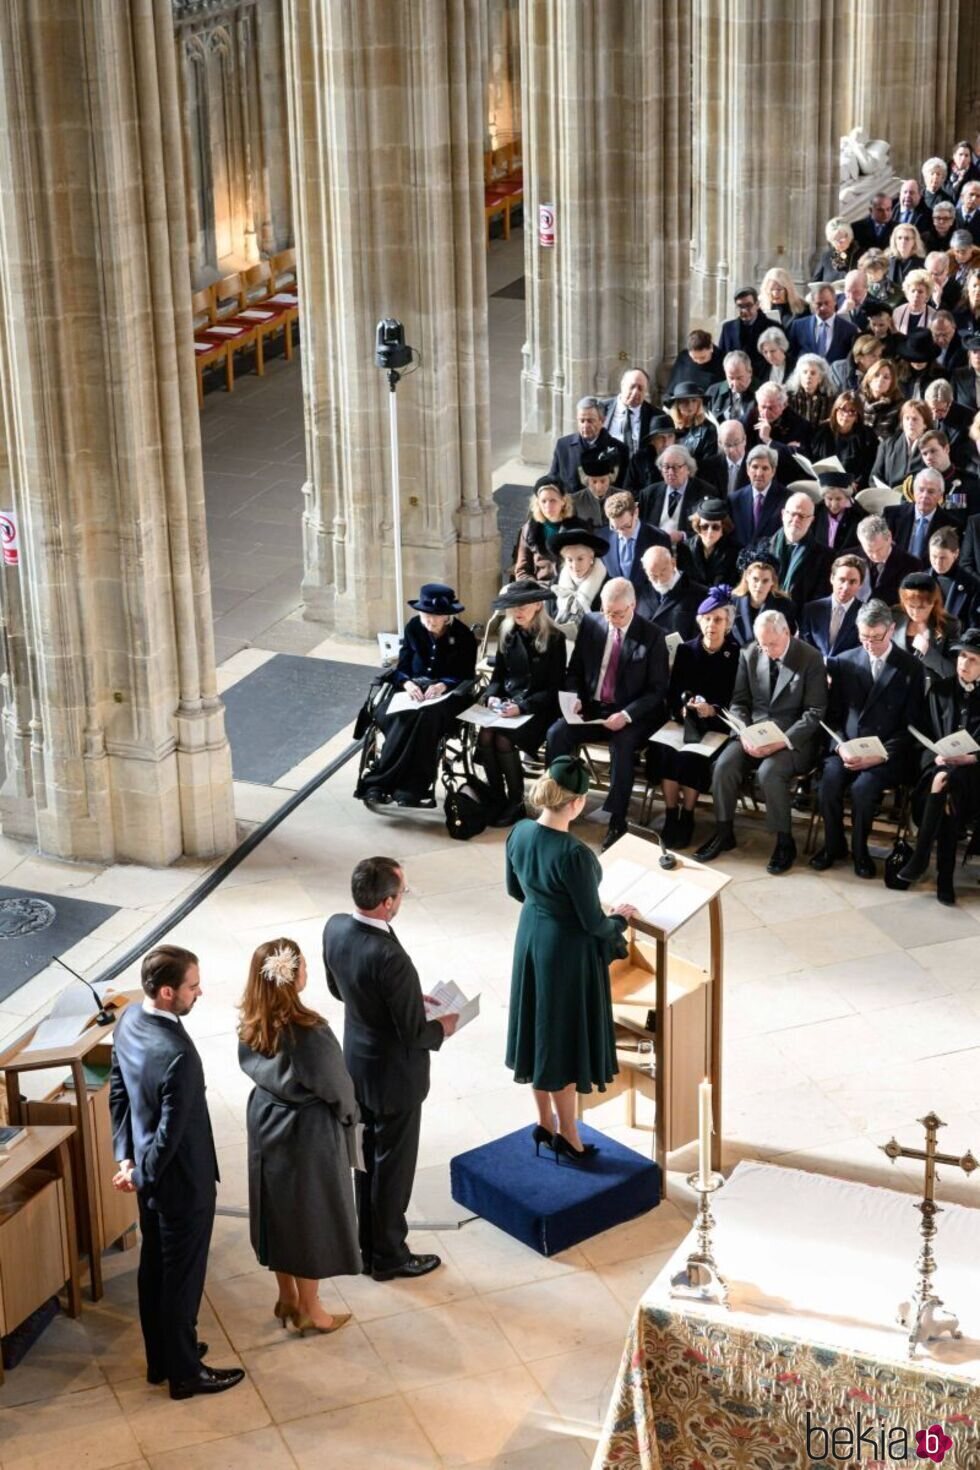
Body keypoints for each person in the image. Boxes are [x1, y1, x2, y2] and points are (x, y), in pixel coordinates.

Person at [109, 946, 243, 1401]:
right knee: (182, 1278)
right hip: (181, 1183)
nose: (199, 992)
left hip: (147, 1177)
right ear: (167, 992)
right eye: (192, 986)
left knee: (155, 1270)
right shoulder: (178, 1054)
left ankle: (162, 1358)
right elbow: (171, 1132)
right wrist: (140, 1172)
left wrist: (126, 1159)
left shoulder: (127, 1018)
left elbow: (118, 1089)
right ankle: (185, 1373)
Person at [323, 857, 457, 1281]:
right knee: (393, 1170)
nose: (402, 900)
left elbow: (337, 988)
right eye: (401, 894)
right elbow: (416, 1034)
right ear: (385, 903)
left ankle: (366, 1248)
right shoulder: (388, 956)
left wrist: (397, 998)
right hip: (395, 1078)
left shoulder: (335, 928)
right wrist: (445, 1025)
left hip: (357, 1067)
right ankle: (390, 1255)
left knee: (365, 1162)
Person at [504, 756, 636, 1162]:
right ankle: (570, 1135)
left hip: (530, 936)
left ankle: (544, 1123)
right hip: (563, 950)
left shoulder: (520, 832)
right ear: (577, 803)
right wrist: (618, 921)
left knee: (538, 1032)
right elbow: (593, 923)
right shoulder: (574, 854)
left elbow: (516, 890)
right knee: (558, 1041)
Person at [237, 938, 359, 1336]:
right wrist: (349, 1118)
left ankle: (287, 1295)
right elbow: (337, 1088)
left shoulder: (251, 1021)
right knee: (311, 1215)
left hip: (266, 1117)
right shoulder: (309, 1031)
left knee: (277, 1210)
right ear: (292, 977)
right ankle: (311, 1309)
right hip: (306, 1130)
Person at [694, 609, 827, 873]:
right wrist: (743, 731)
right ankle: (724, 831)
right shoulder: (750, 652)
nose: (766, 650)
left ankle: (784, 841)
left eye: (772, 644)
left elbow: (815, 712)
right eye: (762, 644)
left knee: (769, 773)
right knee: (723, 766)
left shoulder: (810, 658)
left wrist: (782, 742)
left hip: (792, 738)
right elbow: (740, 702)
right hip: (754, 732)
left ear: (786, 633)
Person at [546, 577, 669, 850]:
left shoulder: (653, 636)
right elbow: (575, 670)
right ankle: (557, 804)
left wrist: (626, 715)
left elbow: (657, 691)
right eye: (606, 611)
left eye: (618, 613)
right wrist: (575, 697)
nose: (611, 617)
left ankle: (617, 818)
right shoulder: (592, 623)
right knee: (557, 733)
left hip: (631, 713)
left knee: (622, 745)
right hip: (593, 707)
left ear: (633, 606)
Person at [810, 600, 924, 878]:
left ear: (892, 630)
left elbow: (913, 725)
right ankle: (834, 845)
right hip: (848, 746)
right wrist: (839, 746)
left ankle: (860, 851)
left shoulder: (910, 668)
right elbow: (833, 715)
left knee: (863, 790)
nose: (870, 644)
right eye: (864, 637)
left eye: (876, 637)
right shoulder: (845, 661)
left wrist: (881, 754)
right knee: (828, 783)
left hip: (886, 754)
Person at [356, 584, 477, 808]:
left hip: (446, 696)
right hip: (411, 692)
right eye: (426, 615)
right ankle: (380, 784)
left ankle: (410, 787)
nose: (430, 621)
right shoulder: (414, 627)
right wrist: (407, 682)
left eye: (436, 616)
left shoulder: (463, 636)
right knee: (399, 718)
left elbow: (465, 674)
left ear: (447, 616)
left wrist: (442, 685)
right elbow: (402, 666)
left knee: (425, 720)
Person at [646, 585, 740, 849]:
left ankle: (687, 815)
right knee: (665, 750)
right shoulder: (687, 650)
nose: (712, 625)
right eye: (707, 619)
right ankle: (671, 814)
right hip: (684, 721)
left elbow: (737, 698)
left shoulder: (735, 654)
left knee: (691, 756)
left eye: (718, 619)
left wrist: (714, 709)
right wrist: (683, 707)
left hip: (716, 725)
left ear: (728, 623)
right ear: (700, 621)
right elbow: (673, 692)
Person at [898, 627, 980, 905]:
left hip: (975, 775)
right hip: (937, 767)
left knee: (948, 785)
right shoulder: (940, 691)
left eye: (972, 659)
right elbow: (921, 735)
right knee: (946, 786)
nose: (964, 664)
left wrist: (973, 758)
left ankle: (922, 856)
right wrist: (936, 756)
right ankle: (944, 878)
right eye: (961, 657)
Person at [479, 581, 565, 825]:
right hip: (508, 703)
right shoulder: (508, 632)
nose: (517, 611)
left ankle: (516, 801)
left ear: (538, 605)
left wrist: (523, 707)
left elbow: (554, 688)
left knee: (503, 738)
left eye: (523, 606)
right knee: (486, 734)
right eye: (512, 606)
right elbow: (498, 677)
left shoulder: (554, 638)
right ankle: (497, 795)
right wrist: (492, 695)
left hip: (539, 708)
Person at [891, 571, 961, 686]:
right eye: (911, 606)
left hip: (931, 693)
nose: (915, 612)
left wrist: (928, 652)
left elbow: (952, 671)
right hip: (898, 688)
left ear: (933, 603)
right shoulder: (893, 617)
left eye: (922, 607)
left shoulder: (949, 625)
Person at [768, 492, 834, 612]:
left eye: (802, 516)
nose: (796, 520)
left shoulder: (825, 558)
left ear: (811, 520)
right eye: (792, 514)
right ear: (783, 514)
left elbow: (819, 600)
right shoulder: (761, 548)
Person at [548, 397, 628, 494]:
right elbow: (553, 479)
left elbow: (623, 487)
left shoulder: (619, 449)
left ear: (602, 421)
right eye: (582, 421)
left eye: (590, 421)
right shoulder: (563, 446)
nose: (585, 425)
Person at [513, 478, 586, 584]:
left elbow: (587, 565)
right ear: (538, 503)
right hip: (539, 586)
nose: (548, 506)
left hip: (570, 585)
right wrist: (533, 590)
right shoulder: (530, 529)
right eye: (544, 501)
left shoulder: (578, 528)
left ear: (563, 501)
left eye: (553, 500)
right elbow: (522, 570)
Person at [884, 465, 961, 559]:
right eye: (921, 490)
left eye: (931, 492)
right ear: (914, 491)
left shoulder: (950, 525)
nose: (924, 496)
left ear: (940, 495)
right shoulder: (891, 515)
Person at [637, 445, 714, 540]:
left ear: (688, 469)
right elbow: (640, 529)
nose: (670, 472)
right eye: (666, 467)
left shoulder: (705, 493)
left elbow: (710, 531)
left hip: (687, 551)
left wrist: (683, 536)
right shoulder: (648, 494)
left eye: (676, 467)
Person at [601, 490, 670, 594]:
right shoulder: (603, 536)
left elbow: (663, 580)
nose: (621, 533)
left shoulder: (659, 538)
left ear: (636, 512)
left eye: (626, 526)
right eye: (615, 528)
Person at [799, 552, 866, 655]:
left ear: (860, 584)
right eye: (842, 580)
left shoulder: (865, 613)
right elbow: (804, 645)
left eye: (852, 582)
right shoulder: (811, 610)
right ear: (832, 578)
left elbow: (861, 652)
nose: (845, 587)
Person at [730, 546, 798, 646]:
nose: (759, 586)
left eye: (765, 581)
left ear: (772, 582)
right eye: (755, 579)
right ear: (747, 578)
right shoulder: (732, 602)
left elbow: (787, 640)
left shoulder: (785, 606)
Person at [552, 527, 608, 642]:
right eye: (570, 560)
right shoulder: (556, 584)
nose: (575, 566)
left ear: (591, 558)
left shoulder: (607, 586)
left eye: (580, 559)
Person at [636, 543, 706, 636]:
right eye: (654, 576)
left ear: (673, 563)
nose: (660, 581)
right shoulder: (641, 593)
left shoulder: (699, 593)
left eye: (663, 573)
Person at [811, 391, 879, 486]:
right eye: (843, 409)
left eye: (852, 412)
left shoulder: (867, 436)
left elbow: (869, 466)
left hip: (851, 486)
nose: (846, 415)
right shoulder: (821, 431)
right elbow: (813, 458)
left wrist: (857, 482)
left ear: (857, 416)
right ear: (835, 410)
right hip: (823, 483)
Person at [728, 445, 790, 543]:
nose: (759, 473)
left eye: (765, 468)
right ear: (748, 470)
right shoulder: (734, 500)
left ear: (773, 471)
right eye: (755, 467)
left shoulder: (787, 499)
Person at [856, 514, 921, 603]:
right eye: (870, 551)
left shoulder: (912, 565)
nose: (875, 556)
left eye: (879, 549)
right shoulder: (852, 558)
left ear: (889, 537)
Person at [677, 497, 742, 586]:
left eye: (715, 527)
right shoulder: (684, 548)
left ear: (723, 528)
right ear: (698, 527)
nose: (709, 532)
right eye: (705, 526)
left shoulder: (735, 551)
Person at [788, 285, 858, 364]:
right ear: (812, 304)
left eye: (827, 303)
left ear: (835, 301)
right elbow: (792, 356)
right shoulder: (799, 326)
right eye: (819, 304)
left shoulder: (849, 330)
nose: (823, 308)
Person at [871, 398, 932, 486]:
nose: (910, 423)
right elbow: (875, 477)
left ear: (925, 424)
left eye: (915, 419)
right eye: (907, 418)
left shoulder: (932, 446)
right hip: (889, 496)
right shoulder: (887, 445)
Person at [929, 525, 980, 625]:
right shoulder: (921, 579)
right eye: (934, 557)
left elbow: (974, 626)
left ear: (955, 554)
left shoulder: (972, 585)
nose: (938, 563)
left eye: (943, 558)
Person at [602, 367, 655, 457]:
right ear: (622, 385)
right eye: (632, 386)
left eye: (640, 388)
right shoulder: (601, 409)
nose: (635, 392)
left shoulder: (654, 415)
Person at [663, 381, 718, 466]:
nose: (690, 405)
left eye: (694, 400)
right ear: (677, 404)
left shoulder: (708, 430)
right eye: (684, 401)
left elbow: (709, 465)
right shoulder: (667, 427)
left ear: (699, 403)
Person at [718, 286, 769, 375]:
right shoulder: (727, 328)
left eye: (748, 306)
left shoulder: (771, 327)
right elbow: (722, 357)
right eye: (740, 306)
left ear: (757, 305)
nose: (744, 310)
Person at [623, 412, 678, 493]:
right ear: (652, 440)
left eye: (670, 436)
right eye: (660, 437)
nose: (666, 441)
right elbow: (628, 490)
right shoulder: (639, 459)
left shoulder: (683, 458)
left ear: (675, 438)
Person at [571, 444, 624, 525]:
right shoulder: (574, 500)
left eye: (603, 481)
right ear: (587, 481)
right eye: (594, 482)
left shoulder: (623, 497)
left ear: (610, 479)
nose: (598, 487)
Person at [665, 328, 726, 395]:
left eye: (703, 357)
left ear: (711, 348)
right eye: (694, 358)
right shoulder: (683, 358)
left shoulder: (723, 360)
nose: (698, 361)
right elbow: (672, 386)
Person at [785, 354, 835, 433]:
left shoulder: (830, 398)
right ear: (799, 376)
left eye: (813, 373)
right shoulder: (788, 396)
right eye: (805, 372)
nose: (808, 376)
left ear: (820, 378)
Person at [701, 419, 750, 498]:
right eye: (727, 445)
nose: (733, 450)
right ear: (720, 443)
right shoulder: (708, 467)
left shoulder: (756, 465)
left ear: (744, 440)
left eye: (736, 443)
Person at [860, 356, 904, 440]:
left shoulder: (899, 407)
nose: (880, 380)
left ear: (892, 383)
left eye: (886, 377)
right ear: (869, 378)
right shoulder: (855, 400)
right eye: (876, 375)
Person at [705, 350, 757, 421]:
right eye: (731, 378)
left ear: (750, 372)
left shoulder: (761, 391)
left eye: (739, 378)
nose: (735, 383)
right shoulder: (713, 392)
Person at [892, 269, 938, 336]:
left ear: (927, 295)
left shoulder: (934, 316)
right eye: (913, 291)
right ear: (907, 293)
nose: (916, 295)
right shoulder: (897, 312)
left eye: (920, 292)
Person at [813, 217, 858, 281]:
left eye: (842, 237)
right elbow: (815, 282)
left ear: (849, 236)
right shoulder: (826, 257)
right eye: (835, 239)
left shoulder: (862, 255)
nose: (839, 242)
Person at [885, 223, 927, 287]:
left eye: (907, 238)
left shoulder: (923, 264)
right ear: (894, 240)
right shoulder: (886, 261)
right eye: (899, 238)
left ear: (914, 241)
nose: (903, 241)